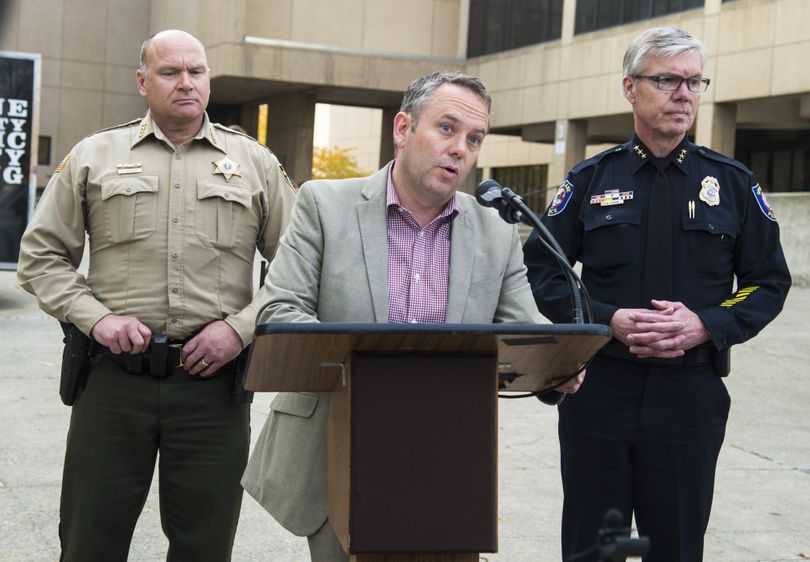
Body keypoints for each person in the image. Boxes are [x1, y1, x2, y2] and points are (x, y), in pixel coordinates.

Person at [240, 71, 583, 561]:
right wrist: (372, 371)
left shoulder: (496, 231)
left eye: (474, 138)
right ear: (402, 128)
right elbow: (281, 307)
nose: (461, 148)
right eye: (447, 128)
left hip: (449, 462)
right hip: (340, 451)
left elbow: (524, 331)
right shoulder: (324, 204)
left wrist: (559, 362)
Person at [17, 29, 295, 561]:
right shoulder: (93, 156)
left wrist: (239, 331)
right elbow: (41, 257)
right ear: (143, 82)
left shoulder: (255, 163)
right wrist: (95, 319)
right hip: (113, 385)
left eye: (197, 71)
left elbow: (299, 266)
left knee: (205, 547)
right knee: (88, 541)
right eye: (170, 72)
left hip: (212, 389)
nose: (186, 83)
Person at [524, 27, 791, 562]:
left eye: (694, 81)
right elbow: (545, 269)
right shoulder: (590, 180)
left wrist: (707, 324)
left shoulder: (733, 183)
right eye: (667, 79)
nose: (684, 93)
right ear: (630, 87)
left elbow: (768, 281)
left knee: (676, 547)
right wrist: (606, 319)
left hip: (689, 397)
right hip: (601, 391)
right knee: (592, 548)